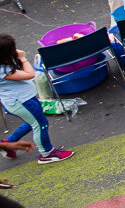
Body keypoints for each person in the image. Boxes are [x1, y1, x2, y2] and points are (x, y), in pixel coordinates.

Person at [1, 35, 75, 164]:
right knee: (40, 125)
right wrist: (23, 58)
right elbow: (30, 74)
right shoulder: (2, 70)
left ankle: (8, 143)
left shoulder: (3, 62)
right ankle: (46, 153)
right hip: (21, 102)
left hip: (23, 99)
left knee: (34, 121)